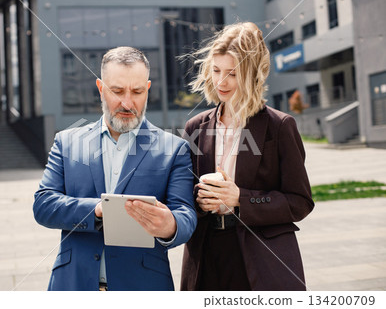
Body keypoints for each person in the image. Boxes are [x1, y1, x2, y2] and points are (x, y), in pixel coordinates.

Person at [34, 47, 197, 291]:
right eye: (117, 91)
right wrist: (98, 210)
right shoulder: (67, 143)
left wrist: (171, 225)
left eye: (137, 91)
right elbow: (44, 205)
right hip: (73, 286)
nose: (127, 102)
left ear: (148, 90)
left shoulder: (175, 149)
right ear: (100, 88)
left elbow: (186, 213)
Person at [180, 22, 314, 291]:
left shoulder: (279, 126)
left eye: (232, 73)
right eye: (216, 71)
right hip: (205, 255)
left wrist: (240, 198)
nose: (221, 81)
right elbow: (183, 195)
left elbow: (299, 202)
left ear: (252, 74)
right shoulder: (195, 126)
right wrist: (199, 200)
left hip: (261, 257)